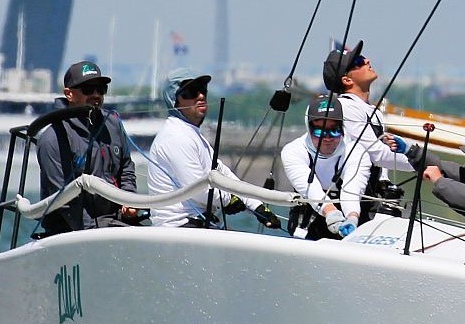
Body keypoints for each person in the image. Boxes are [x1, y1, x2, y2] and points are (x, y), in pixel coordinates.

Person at [146, 69, 281, 230]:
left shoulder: (191, 134)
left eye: (203, 90)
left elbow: (223, 174)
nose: (201, 96)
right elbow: (199, 190)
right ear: (174, 99)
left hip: (199, 224)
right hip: (178, 226)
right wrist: (228, 200)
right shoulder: (175, 136)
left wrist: (256, 206)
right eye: (191, 92)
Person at [35, 60, 142, 235]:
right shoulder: (53, 137)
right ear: (69, 94)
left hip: (115, 223)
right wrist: (92, 233)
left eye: (100, 89)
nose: (96, 94)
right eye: (88, 89)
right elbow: (64, 200)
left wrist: (129, 199)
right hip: (68, 231)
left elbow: (126, 167)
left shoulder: (113, 124)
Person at [321, 40, 413, 214]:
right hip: (346, 201)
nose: (367, 61)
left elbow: (382, 150)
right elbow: (376, 153)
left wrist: (384, 180)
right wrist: (422, 163)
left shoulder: (371, 110)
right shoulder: (346, 108)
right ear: (347, 80)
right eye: (358, 62)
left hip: (369, 197)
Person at [280, 94, 369, 240]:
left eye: (334, 130)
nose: (327, 138)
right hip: (312, 215)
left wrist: (352, 218)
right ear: (309, 128)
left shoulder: (357, 150)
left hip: (350, 216)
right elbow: (311, 189)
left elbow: (352, 189)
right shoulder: (293, 151)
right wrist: (331, 213)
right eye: (319, 131)